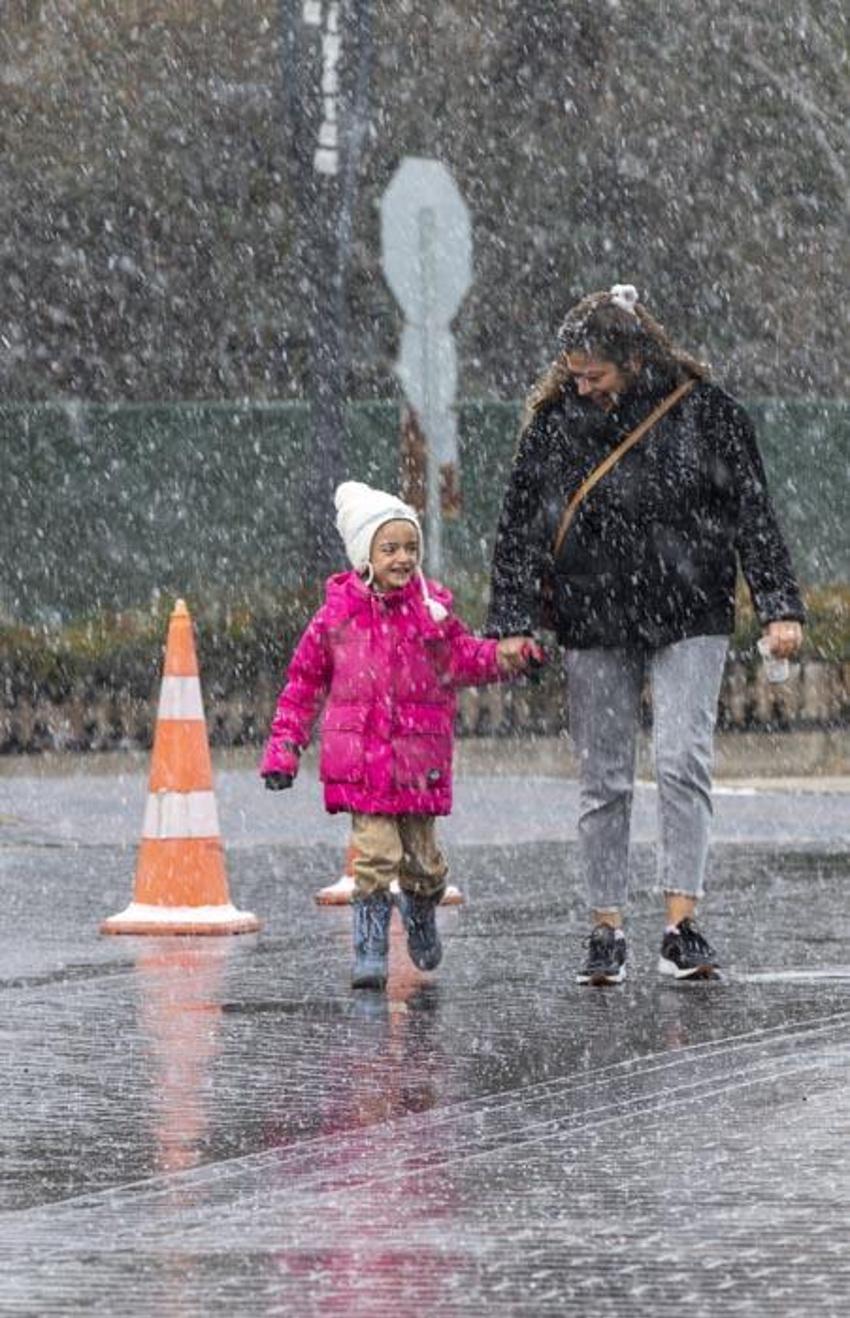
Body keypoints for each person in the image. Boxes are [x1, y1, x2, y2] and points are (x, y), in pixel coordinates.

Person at [487, 283, 804, 985]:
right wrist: (511, 619)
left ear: (633, 359)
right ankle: (606, 928)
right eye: (573, 373)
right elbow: (519, 529)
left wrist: (780, 604)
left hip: (692, 609)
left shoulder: (706, 413)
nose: (581, 384)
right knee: (603, 777)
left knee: (682, 759)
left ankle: (680, 924)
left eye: (593, 372)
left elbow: (754, 510)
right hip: (593, 613)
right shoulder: (554, 424)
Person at [261, 480, 538, 991]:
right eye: (390, 548)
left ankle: (420, 908)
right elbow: (303, 685)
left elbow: (464, 658)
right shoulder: (335, 619)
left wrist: (506, 656)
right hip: (363, 763)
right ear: (364, 554)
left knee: (424, 864)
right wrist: (285, 746)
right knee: (374, 857)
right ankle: (369, 946)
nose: (403, 558)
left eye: (410, 547)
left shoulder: (431, 616)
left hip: (418, 760)